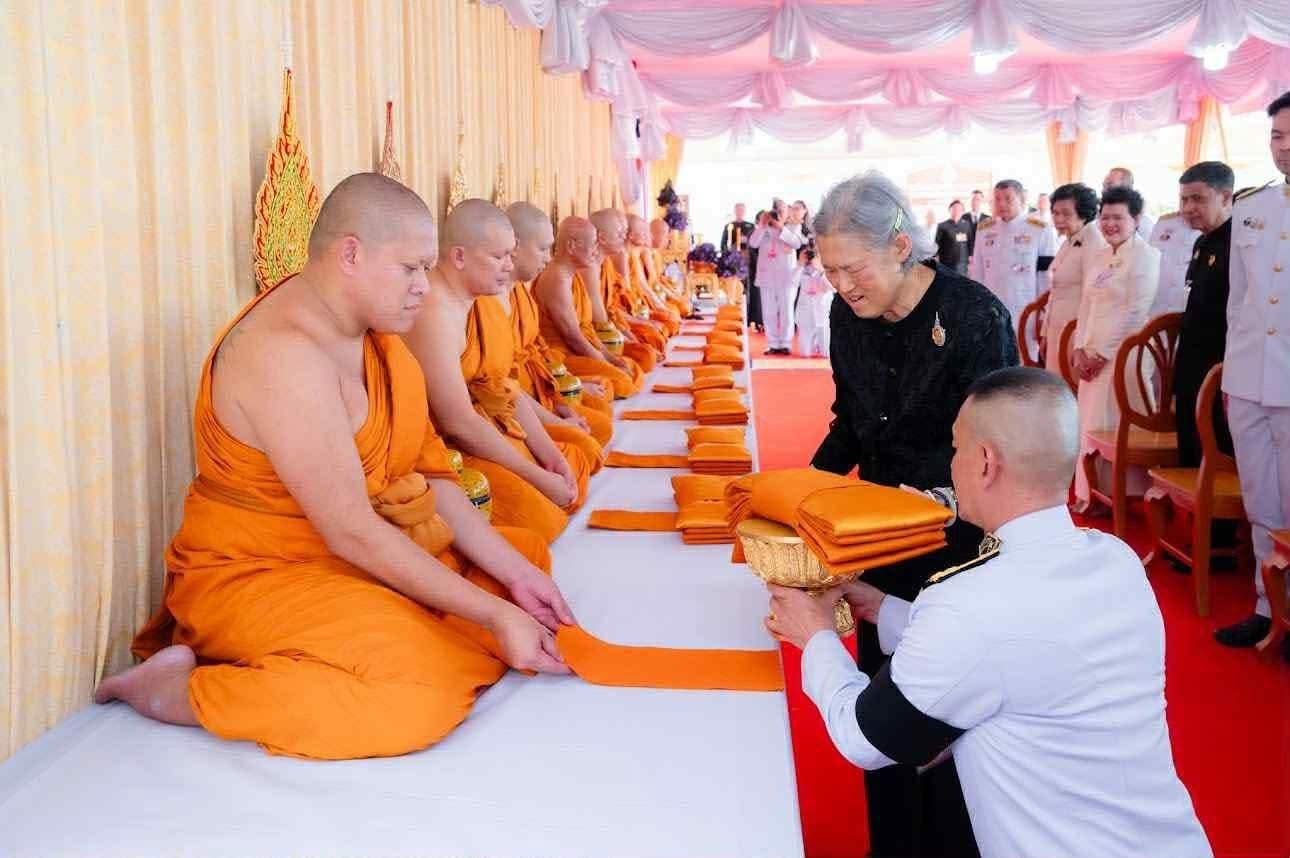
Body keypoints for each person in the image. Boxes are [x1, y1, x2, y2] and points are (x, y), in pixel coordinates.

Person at [94, 173, 575, 760]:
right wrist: (494, 615)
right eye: (411, 268)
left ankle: (421, 626)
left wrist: (515, 581)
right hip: (262, 573)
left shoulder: (379, 342)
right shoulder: (283, 353)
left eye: (427, 269)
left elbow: (430, 479)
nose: (424, 287)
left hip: (357, 553)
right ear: (350, 254)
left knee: (522, 559)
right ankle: (173, 691)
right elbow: (349, 529)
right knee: (414, 695)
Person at [770, 367, 1212, 858]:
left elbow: (865, 738)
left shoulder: (969, 605)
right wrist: (881, 606)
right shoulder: (1116, 559)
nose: (951, 464)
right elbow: (1020, 648)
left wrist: (814, 634)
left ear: (985, 462)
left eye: (955, 449)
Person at [810, 171, 1019, 858]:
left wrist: (933, 504)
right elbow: (851, 421)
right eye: (831, 270)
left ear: (901, 246)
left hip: (961, 547)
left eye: (855, 268)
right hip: (880, 541)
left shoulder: (974, 318)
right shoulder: (847, 315)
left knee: (955, 731)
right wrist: (801, 494)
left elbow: (998, 452)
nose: (843, 286)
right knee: (885, 713)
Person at [401, 199, 595, 545]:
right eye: (499, 256)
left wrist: (550, 456)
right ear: (459, 256)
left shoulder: (482, 303)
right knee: (543, 519)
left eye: (511, 254)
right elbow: (457, 423)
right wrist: (536, 475)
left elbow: (503, 387)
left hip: (489, 425)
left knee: (574, 459)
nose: (509, 265)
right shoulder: (434, 310)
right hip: (447, 450)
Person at [1216, 91, 1290, 653]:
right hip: (1248, 380)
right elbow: (1238, 301)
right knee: (1261, 502)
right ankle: (1268, 609)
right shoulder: (1252, 206)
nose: (1284, 147)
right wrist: (1231, 378)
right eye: (1278, 136)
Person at [1071, 186, 1162, 512]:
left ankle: (1123, 494)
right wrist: (1080, 348)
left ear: (1136, 219)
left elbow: (1135, 312)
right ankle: (1093, 493)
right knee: (1090, 420)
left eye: (1118, 217)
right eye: (1105, 217)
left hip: (1125, 353)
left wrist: (1103, 354)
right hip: (1091, 353)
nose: (1110, 224)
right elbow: (1086, 305)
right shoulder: (1099, 256)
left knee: (1115, 422)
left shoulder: (1146, 256)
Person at [505, 202, 615, 443]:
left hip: (538, 384)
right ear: (514, 246)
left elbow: (537, 350)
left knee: (600, 416)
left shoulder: (519, 292)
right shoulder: (488, 301)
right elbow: (499, 386)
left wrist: (564, 390)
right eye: (543, 248)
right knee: (589, 436)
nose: (548, 257)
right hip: (515, 405)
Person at [534, 216, 643, 399]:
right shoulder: (557, 279)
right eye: (592, 244)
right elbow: (573, 338)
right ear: (571, 245)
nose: (595, 250)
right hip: (562, 356)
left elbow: (587, 330)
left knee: (631, 368)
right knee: (621, 381)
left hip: (582, 349)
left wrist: (610, 358)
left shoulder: (573, 275)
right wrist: (606, 362)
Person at [1172, 162, 1235, 469]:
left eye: (1198, 199)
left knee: (1217, 452)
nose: (1188, 208)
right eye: (1184, 199)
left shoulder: (1238, 243)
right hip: (1191, 362)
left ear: (1225, 197)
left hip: (1220, 365)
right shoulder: (1202, 242)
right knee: (1189, 448)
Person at [968, 179, 1057, 323]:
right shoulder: (985, 229)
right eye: (998, 199)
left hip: (1025, 307)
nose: (1002, 204)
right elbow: (977, 271)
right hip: (992, 308)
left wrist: (1043, 312)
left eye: (1008, 199)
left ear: (1021, 199)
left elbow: (1045, 275)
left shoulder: (1039, 229)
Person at [1043, 183, 1106, 375]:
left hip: (1076, 333)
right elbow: (1055, 291)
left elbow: (1094, 297)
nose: (1058, 219)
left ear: (1083, 213)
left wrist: (1084, 344)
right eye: (1055, 213)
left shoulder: (1094, 242)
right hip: (1057, 329)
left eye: (1066, 214)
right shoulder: (1068, 241)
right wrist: (1045, 332)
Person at [750, 201, 807, 354]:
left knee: (786, 311)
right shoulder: (763, 227)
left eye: (782, 210)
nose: (778, 213)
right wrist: (763, 225)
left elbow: (796, 243)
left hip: (787, 276)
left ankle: (786, 343)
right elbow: (753, 243)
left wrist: (780, 227)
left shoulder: (793, 227)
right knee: (769, 311)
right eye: (776, 210)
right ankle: (773, 343)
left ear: (787, 212)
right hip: (766, 275)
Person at [1148, 209, 1202, 318]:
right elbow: (1149, 263)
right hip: (1156, 311)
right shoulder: (1164, 223)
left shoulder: (1210, 229)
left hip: (1187, 313)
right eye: (1184, 200)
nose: (1188, 205)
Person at [792, 247, 832, 358]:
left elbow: (833, 288)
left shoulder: (827, 268)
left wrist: (821, 271)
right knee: (804, 353)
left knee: (826, 353)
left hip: (823, 313)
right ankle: (812, 345)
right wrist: (800, 264)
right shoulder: (801, 268)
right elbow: (792, 283)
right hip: (805, 314)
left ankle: (820, 345)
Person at [1104, 166, 1156, 239]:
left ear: (1126, 188)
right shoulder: (1098, 217)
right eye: (1104, 185)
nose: (1104, 190)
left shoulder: (1144, 224)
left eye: (1110, 185)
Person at [935, 200, 971, 274]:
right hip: (947, 264)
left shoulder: (966, 225)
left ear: (962, 212)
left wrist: (971, 258)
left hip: (962, 264)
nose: (957, 211)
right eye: (954, 209)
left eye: (959, 209)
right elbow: (936, 245)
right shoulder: (942, 226)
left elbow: (970, 243)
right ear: (949, 210)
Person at [963, 189, 987, 259]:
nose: (975, 202)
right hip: (966, 256)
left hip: (983, 256)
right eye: (973, 199)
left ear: (982, 201)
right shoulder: (962, 218)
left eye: (978, 199)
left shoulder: (988, 219)